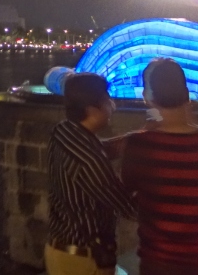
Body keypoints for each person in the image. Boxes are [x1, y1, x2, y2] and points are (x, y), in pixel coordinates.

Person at [121, 59, 198, 275]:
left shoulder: (138, 145)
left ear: (147, 97)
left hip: (160, 263)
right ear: (187, 94)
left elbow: (128, 188)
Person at [46, 72, 137, 275]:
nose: (112, 105)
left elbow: (101, 148)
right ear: (92, 109)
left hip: (61, 250)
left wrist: (135, 139)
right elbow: (128, 207)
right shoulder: (90, 161)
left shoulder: (64, 131)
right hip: (84, 261)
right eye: (107, 100)